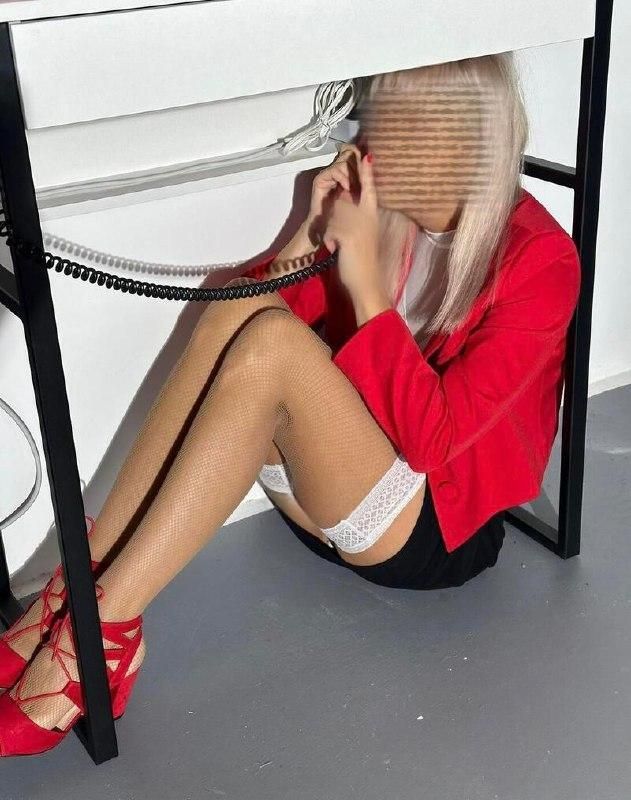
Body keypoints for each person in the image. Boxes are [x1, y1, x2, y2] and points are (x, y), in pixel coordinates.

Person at [0, 52, 581, 756]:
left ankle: (99, 637)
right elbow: (242, 320)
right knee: (239, 310)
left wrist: (364, 284)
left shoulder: (542, 260)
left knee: (274, 343)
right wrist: (310, 233)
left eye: (405, 127)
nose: (374, 140)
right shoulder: (383, 214)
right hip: (329, 499)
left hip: (432, 532)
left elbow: (434, 442)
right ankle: (77, 598)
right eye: (381, 116)